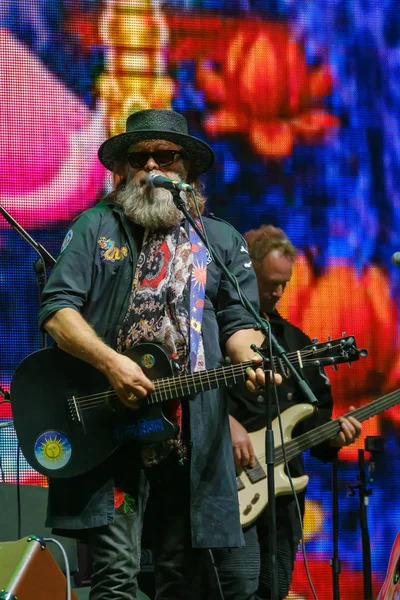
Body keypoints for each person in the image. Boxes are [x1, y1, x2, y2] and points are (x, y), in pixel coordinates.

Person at [37, 108, 270, 600]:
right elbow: (58, 312)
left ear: (186, 169)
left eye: (164, 156)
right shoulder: (95, 226)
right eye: (137, 158)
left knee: (183, 577)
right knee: (117, 575)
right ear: (121, 169)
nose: (150, 168)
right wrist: (110, 362)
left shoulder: (219, 239)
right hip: (109, 429)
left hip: (188, 432)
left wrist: (251, 359)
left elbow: (239, 324)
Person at [211, 225, 362, 600]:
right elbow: (193, 402)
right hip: (232, 486)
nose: (277, 292)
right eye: (269, 283)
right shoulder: (211, 333)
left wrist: (334, 436)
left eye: (284, 283)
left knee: (275, 589)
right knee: (239, 587)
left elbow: (314, 422)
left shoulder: (297, 343)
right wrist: (222, 422)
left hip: (284, 497)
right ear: (246, 274)